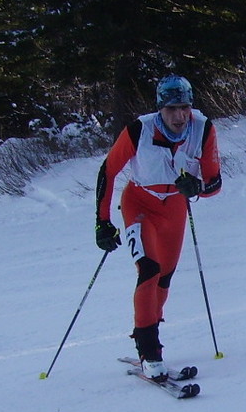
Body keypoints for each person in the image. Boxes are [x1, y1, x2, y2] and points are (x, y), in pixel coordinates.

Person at [95, 74, 222, 378]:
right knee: (149, 270)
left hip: (175, 207)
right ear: (160, 108)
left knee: (164, 279)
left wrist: (197, 188)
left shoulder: (203, 128)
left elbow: (214, 182)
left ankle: (147, 333)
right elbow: (108, 172)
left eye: (185, 108)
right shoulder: (139, 130)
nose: (180, 116)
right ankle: (150, 351)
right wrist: (102, 222)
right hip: (140, 204)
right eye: (172, 109)